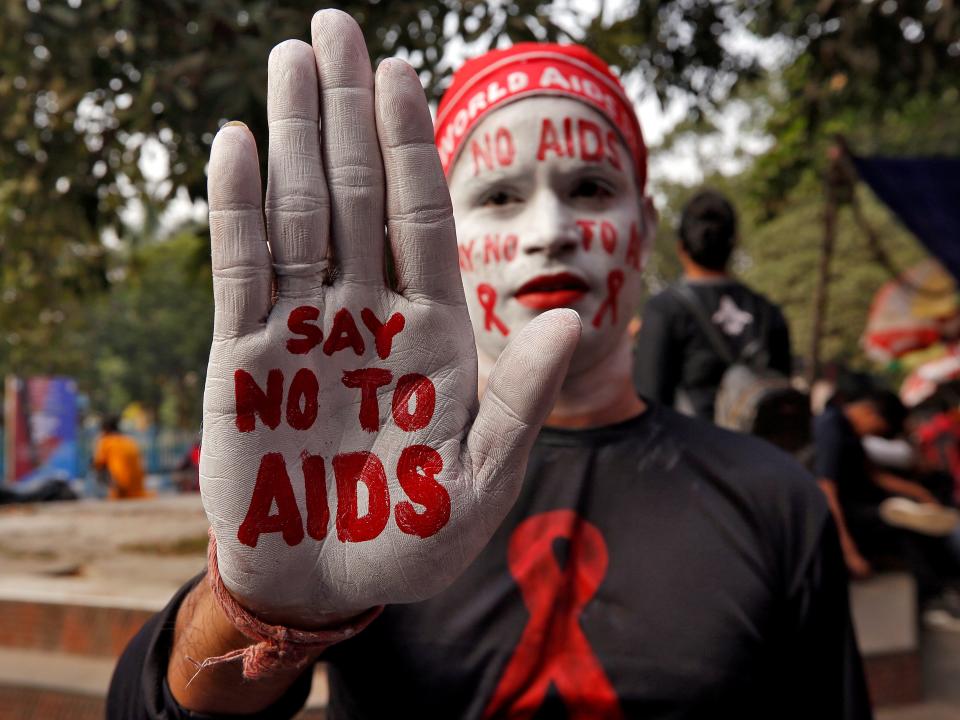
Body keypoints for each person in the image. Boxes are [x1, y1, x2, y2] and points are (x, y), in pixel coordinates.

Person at [108, 11, 870, 719]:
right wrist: (270, 610)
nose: (550, 231)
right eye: (501, 195)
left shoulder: (777, 502)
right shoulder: (365, 477)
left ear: (643, 229)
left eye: (592, 189)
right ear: (436, 229)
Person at [634, 189, 792, 420]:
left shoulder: (664, 310)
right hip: (757, 452)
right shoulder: (768, 311)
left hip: (692, 450)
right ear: (734, 243)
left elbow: (649, 402)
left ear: (681, 248)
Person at [814, 386, 960, 620]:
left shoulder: (848, 429)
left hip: (863, 505)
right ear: (870, 413)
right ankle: (933, 598)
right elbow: (826, 489)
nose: (876, 435)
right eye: (880, 431)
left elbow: (874, 474)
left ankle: (939, 590)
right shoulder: (831, 425)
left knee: (916, 525)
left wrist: (919, 493)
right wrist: (848, 551)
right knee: (903, 529)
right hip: (847, 513)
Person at [92, 415, 148, 500]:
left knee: (95, 466)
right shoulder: (129, 441)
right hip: (138, 488)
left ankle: (103, 494)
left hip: (122, 487)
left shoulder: (106, 441)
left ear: (105, 429)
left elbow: (98, 464)